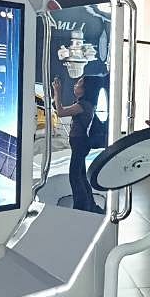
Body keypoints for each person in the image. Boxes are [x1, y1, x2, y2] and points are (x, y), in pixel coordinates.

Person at [52, 74, 103, 212]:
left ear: (86, 89)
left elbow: (60, 112)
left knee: (74, 176)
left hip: (80, 143)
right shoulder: (85, 104)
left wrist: (57, 91)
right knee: (80, 175)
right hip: (81, 143)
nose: (75, 85)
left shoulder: (83, 105)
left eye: (79, 83)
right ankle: (89, 205)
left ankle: (81, 207)